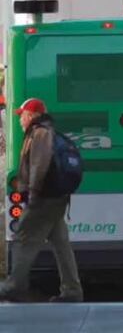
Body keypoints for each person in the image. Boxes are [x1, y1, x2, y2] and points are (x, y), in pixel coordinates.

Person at [0, 98, 83, 303]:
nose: (21, 120)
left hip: (44, 198)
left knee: (23, 238)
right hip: (57, 198)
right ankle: (72, 290)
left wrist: (34, 194)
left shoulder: (39, 134)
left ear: (32, 116)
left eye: (23, 115)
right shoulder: (48, 132)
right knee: (61, 243)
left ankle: (14, 286)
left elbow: (39, 165)